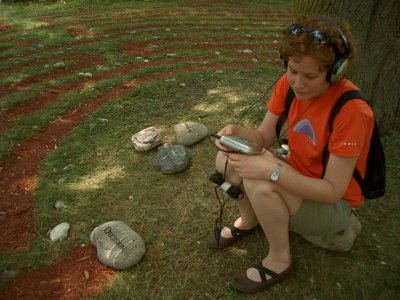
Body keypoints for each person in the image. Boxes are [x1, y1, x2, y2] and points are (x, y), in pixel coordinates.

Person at [207, 15, 375, 293]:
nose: (298, 83)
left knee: (260, 182)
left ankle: (280, 260)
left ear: (336, 71)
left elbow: (333, 191)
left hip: (333, 206)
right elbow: (263, 137)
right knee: (225, 159)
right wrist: (237, 132)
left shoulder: (352, 111)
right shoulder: (288, 85)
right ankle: (250, 220)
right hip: (297, 177)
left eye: (310, 76)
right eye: (293, 70)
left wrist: (272, 171)